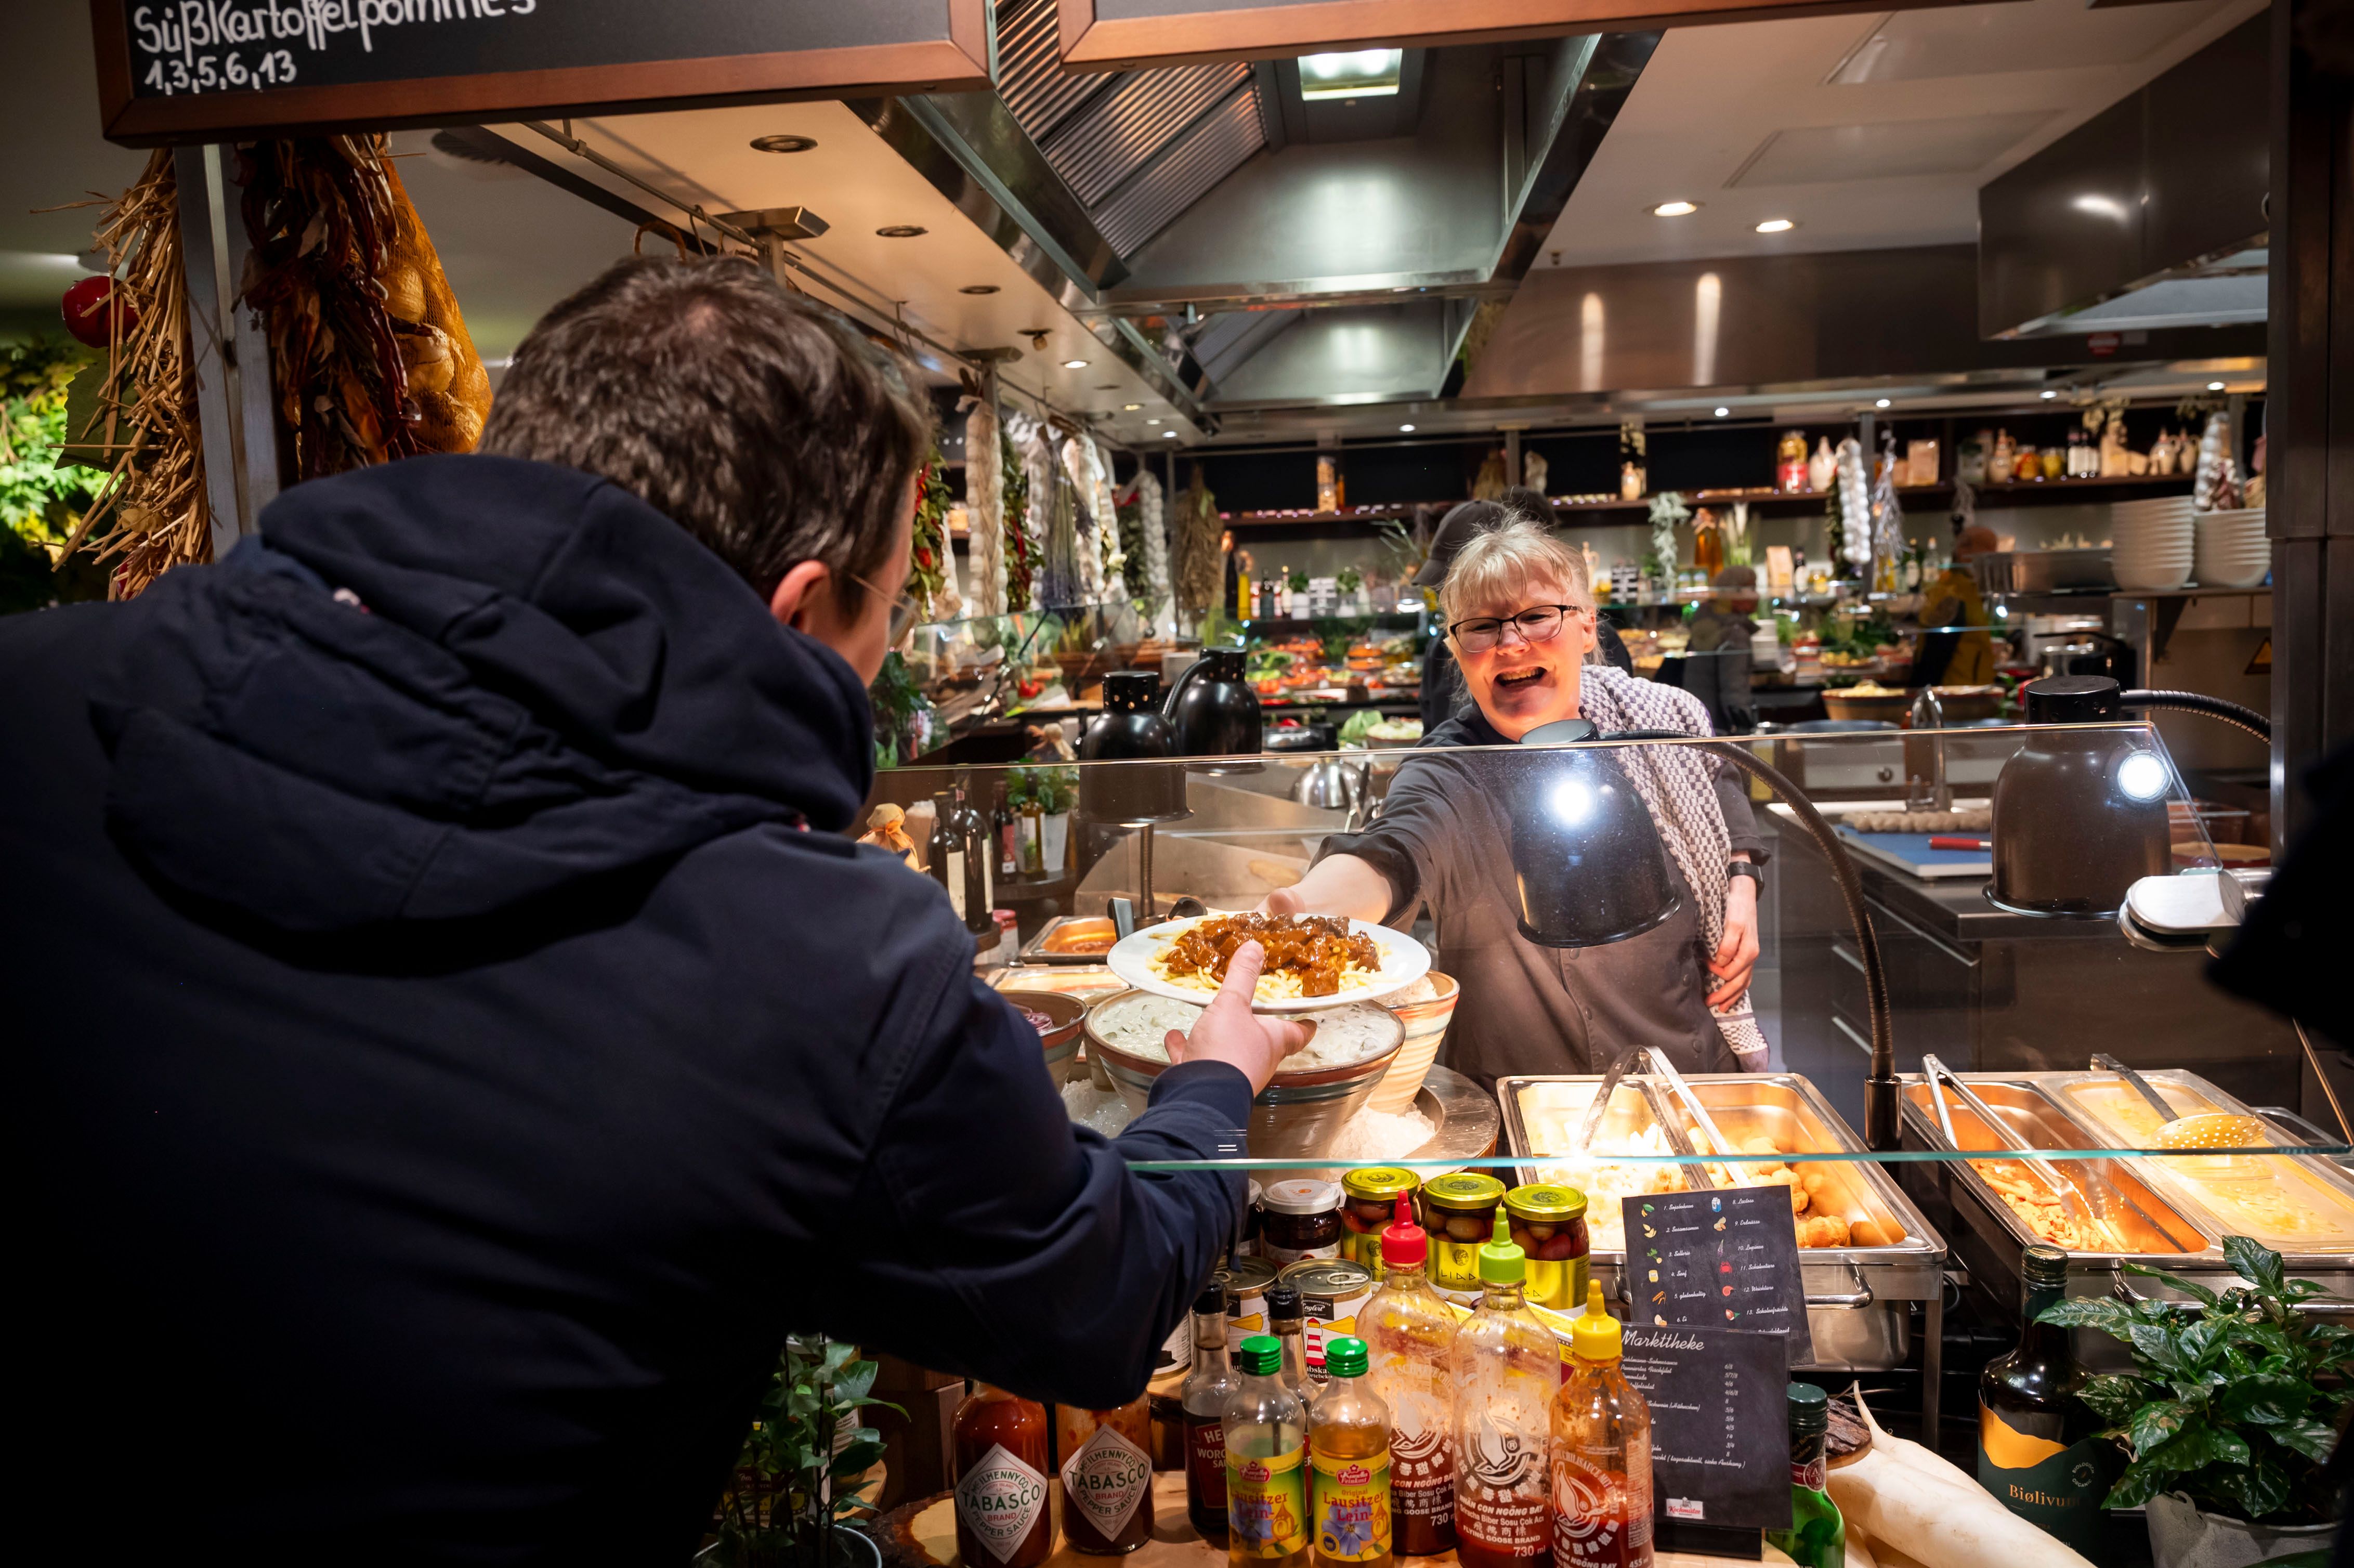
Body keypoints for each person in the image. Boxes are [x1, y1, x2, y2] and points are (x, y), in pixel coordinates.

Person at [1, 256, 1303, 1559]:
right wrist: (1213, 1078)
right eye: (887, 616)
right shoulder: (818, 956)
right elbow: (1095, 1300)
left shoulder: (34, 692)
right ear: (800, 607)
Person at [1273, 516, 1769, 1087]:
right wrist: (1296, 912)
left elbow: (1719, 780)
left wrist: (1741, 876)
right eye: (1482, 627)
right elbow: (1392, 850)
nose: (1511, 644)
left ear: (1587, 627)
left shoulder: (1656, 724)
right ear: (1456, 650)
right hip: (1516, 1094)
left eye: (1537, 616)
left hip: (1681, 1075)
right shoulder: (1449, 767)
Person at [1918, 524, 1998, 685]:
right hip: (1954, 692)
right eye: (1988, 549)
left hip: (1971, 690)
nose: (1993, 557)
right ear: (1964, 551)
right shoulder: (1951, 592)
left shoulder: (1968, 589)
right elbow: (1934, 656)